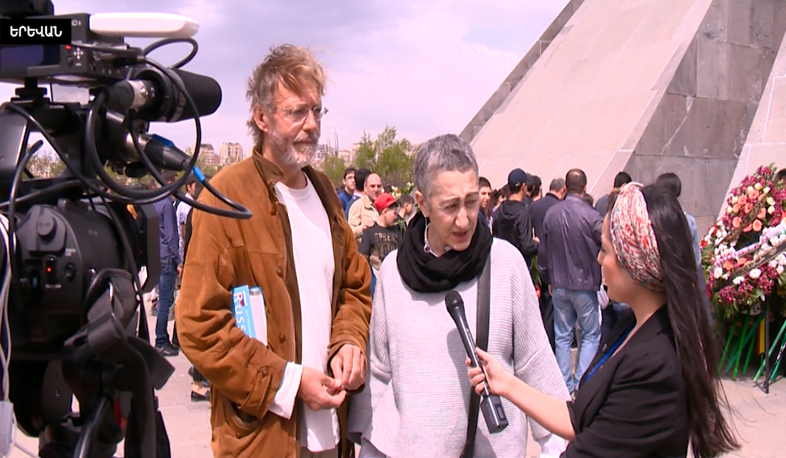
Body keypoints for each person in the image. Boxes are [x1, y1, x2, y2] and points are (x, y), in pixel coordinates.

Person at [176, 44, 372, 458]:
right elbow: (197, 324)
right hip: (262, 439)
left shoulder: (326, 194)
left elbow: (354, 287)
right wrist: (289, 383)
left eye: (316, 111)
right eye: (296, 112)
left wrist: (349, 340)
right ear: (261, 117)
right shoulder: (226, 198)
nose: (311, 125)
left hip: (332, 434)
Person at [468, 183, 739, 458]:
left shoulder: (654, 367)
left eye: (606, 250)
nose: (598, 258)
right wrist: (506, 383)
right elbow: (580, 418)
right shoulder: (630, 327)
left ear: (635, 262)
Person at [348, 134, 569, 458]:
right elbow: (380, 373)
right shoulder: (394, 273)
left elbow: (534, 362)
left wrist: (555, 445)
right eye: (450, 206)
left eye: (471, 201)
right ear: (422, 203)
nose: (464, 219)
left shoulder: (505, 264)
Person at [541, 169, 603, 394]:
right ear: (585, 188)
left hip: (559, 283)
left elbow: (544, 252)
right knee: (590, 335)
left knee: (563, 336)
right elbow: (604, 245)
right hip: (585, 283)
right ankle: (581, 384)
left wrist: (547, 277)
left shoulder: (552, 214)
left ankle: (565, 386)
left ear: (565, 188)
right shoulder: (592, 216)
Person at [530, 177, 566, 351]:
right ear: (563, 190)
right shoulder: (559, 209)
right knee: (553, 315)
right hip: (555, 267)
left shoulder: (533, 206)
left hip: (536, 263)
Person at [153, 171, 182, 356]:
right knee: (165, 300)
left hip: (157, 255)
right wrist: (178, 260)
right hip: (167, 257)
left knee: (163, 299)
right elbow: (171, 236)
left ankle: (162, 339)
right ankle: (161, 341)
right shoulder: (167, 205)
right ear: (169, 182)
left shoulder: (154, 202)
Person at [493, 168, 539, 268]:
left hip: (502, 263)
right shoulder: (523, 213)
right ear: (523, 186)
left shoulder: (499, 210)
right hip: (519, 265)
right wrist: (536, 244)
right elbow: (526, 247)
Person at [359, 193, 403, 296]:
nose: (396, 216)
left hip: (394, 277)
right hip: (376, 276)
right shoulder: (370, 230)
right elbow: (363, 257)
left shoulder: (397, 230)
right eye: (394, 213)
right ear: (385, 212)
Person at [348, 172, 383, 242]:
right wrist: (362, 228)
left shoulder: (384, 206)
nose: (376, 189)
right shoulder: (358, 206)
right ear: (365, 187)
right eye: (372, 186)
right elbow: (349, 231)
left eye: (378, 186)